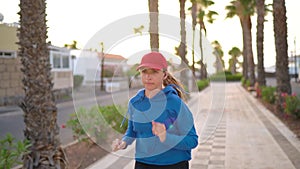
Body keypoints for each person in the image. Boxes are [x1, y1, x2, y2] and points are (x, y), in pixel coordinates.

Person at [112, 51, 198, 169]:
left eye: (154, 72)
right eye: (144, 71)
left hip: (174, 164)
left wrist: (165, 137)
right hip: (143, 163)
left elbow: (192, 140)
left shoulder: (175, 103)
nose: (148, 76)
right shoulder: (135, 102)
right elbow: (132, 131)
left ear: (164, 75)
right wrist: (124, 142)